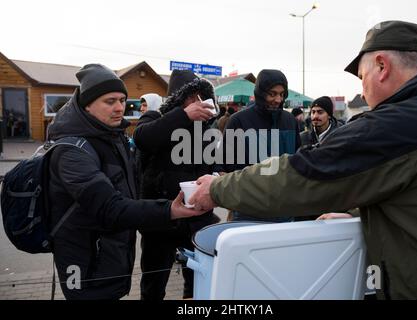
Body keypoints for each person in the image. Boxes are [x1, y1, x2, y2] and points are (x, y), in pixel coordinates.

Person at [190, 20, 417, 299]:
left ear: (382, 66)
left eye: (362, 77)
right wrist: (357, 213)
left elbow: (304, 172)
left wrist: (218, 189)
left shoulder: (398, 124)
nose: (362, 92)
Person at [46, 64, 206, 300]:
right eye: (110, 101)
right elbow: (110, 207)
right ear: (86, 104)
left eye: (122, 100)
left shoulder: (113, 137)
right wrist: (169, 210)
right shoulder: (72, 151)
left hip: (112, 252)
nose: (120, 107)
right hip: (83, 257)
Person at [133, 69, 220, 300]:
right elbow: (143, 138)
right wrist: (183, 115)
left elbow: (212, 165)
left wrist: (218, 175)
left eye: (201, 97)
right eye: (191, 97)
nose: (197, 103)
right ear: (178, 99)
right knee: (154, 282)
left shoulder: (206, 130)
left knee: (197, 281)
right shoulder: (154, 118)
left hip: (196, 217)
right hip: (161, 217)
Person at [214, 69, 299, 222]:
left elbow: (298, 162)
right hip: (247, 211)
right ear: (260, 93)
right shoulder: (238, 121)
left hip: (284, 209)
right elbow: (222, 168)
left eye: (281, 94)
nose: (278, 99)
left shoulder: (290, 121)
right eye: (272, 94)